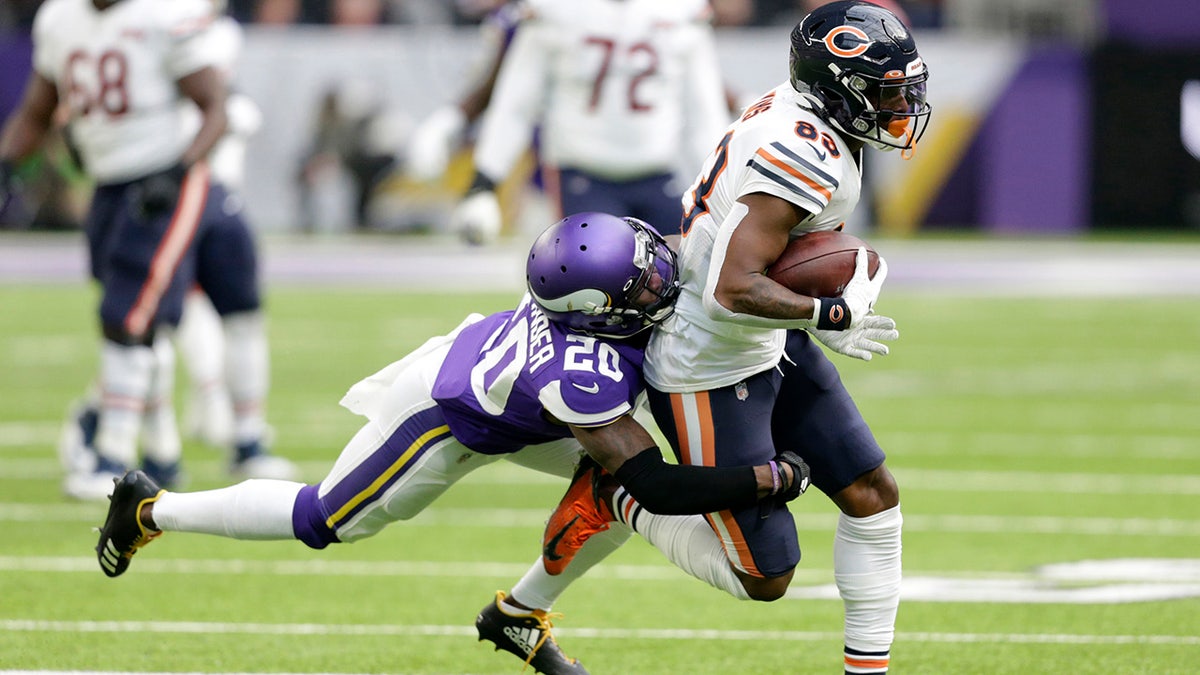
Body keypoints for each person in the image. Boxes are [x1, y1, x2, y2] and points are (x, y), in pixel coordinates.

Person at [93, 213, 810, 674]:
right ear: (595, 315)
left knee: (609, 492)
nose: (660, 279)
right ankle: (151, 507)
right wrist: (765, 480)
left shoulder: (598, 295)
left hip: (520, 394)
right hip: (445, 417)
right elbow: (657, 483)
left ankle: (518, 615)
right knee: (324, 519)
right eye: (642, 281)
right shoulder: (579, 372)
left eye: (649, 263)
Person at [494, 3, 930, 674]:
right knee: (766, 574)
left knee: (873, 492)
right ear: (835, 88)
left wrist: (816, 308)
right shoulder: (801, 155)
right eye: (886, 91)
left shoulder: (806, 113)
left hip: (768, 338)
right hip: (710, 361)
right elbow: (734, 287)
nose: (899, 105)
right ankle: (621, 495)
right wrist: (829, 316)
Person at [0, 0, 294, 501]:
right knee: (140, 320)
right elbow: (37, 109)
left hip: (163, 182)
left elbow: (217, 108)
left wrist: (178, 171)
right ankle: (158, 450)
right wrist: (7, 165)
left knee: (129, 314)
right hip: (108, 187)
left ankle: (114, 454)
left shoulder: (163, 16)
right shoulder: (59, 18)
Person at [447, 0, 731, 246]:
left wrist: (722, 191)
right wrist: (484, 182)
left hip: (658, 174)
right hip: (581, 175)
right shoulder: (553, 11)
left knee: (679, 287)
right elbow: (515, 103)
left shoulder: (683, 11)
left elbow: (704, 111)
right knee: (586, 289)